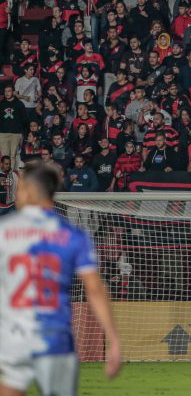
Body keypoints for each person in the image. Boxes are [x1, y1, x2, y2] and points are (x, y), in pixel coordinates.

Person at [0, 161, 122, 396]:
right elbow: (95, 290)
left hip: (14, 335)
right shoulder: (74, 236)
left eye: (19, 188)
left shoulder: (5, 230)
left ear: (28, 190)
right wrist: (114, 339)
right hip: (55, 337)